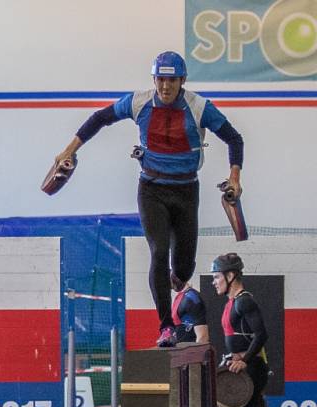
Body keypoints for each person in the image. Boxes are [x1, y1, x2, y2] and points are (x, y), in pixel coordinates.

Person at [54, 51, 244, 347]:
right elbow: (100, 118)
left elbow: (234, 138)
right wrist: (69, 150)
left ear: (182, 81)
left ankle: (174, 281)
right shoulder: (138, 102)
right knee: (158, 251)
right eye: (160, 80)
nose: (165, 87)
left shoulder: (199, 107)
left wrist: (235, 177)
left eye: (171, 80)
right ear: (153, 79)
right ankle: (166, 325)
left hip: (186, 190)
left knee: (183, 267)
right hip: (152, 189)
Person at [211, 253, 300, 407]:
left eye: (217, 276)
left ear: (231, 276)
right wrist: (233, 357)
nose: (214, 281)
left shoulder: (244, 301)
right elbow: (242, 340)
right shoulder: (230, 303)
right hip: (240, 368)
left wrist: (245, 359)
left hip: (252, 371)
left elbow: (261, 336)